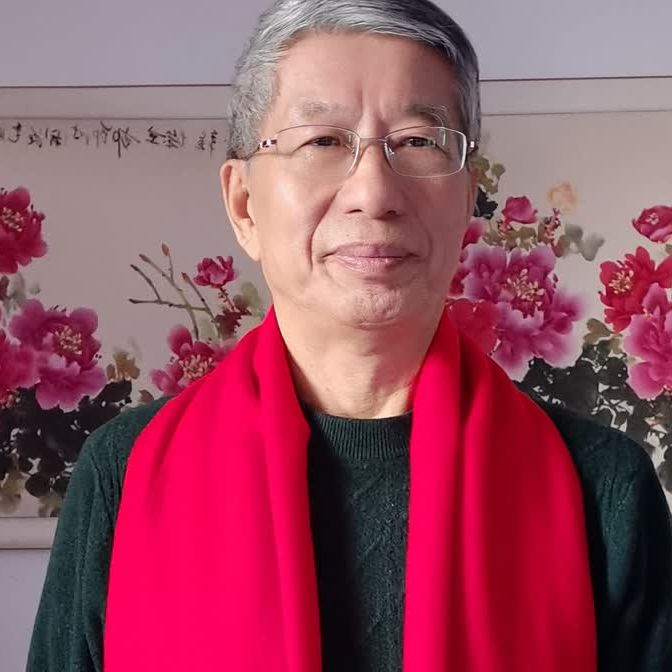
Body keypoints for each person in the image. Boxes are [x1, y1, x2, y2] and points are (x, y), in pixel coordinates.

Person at [28, 0, 672, 670]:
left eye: (418, 142)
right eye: (322, 142)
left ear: (465, 197)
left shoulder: (600, 485)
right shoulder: (125, 470)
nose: (374, 191)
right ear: (244, 205)